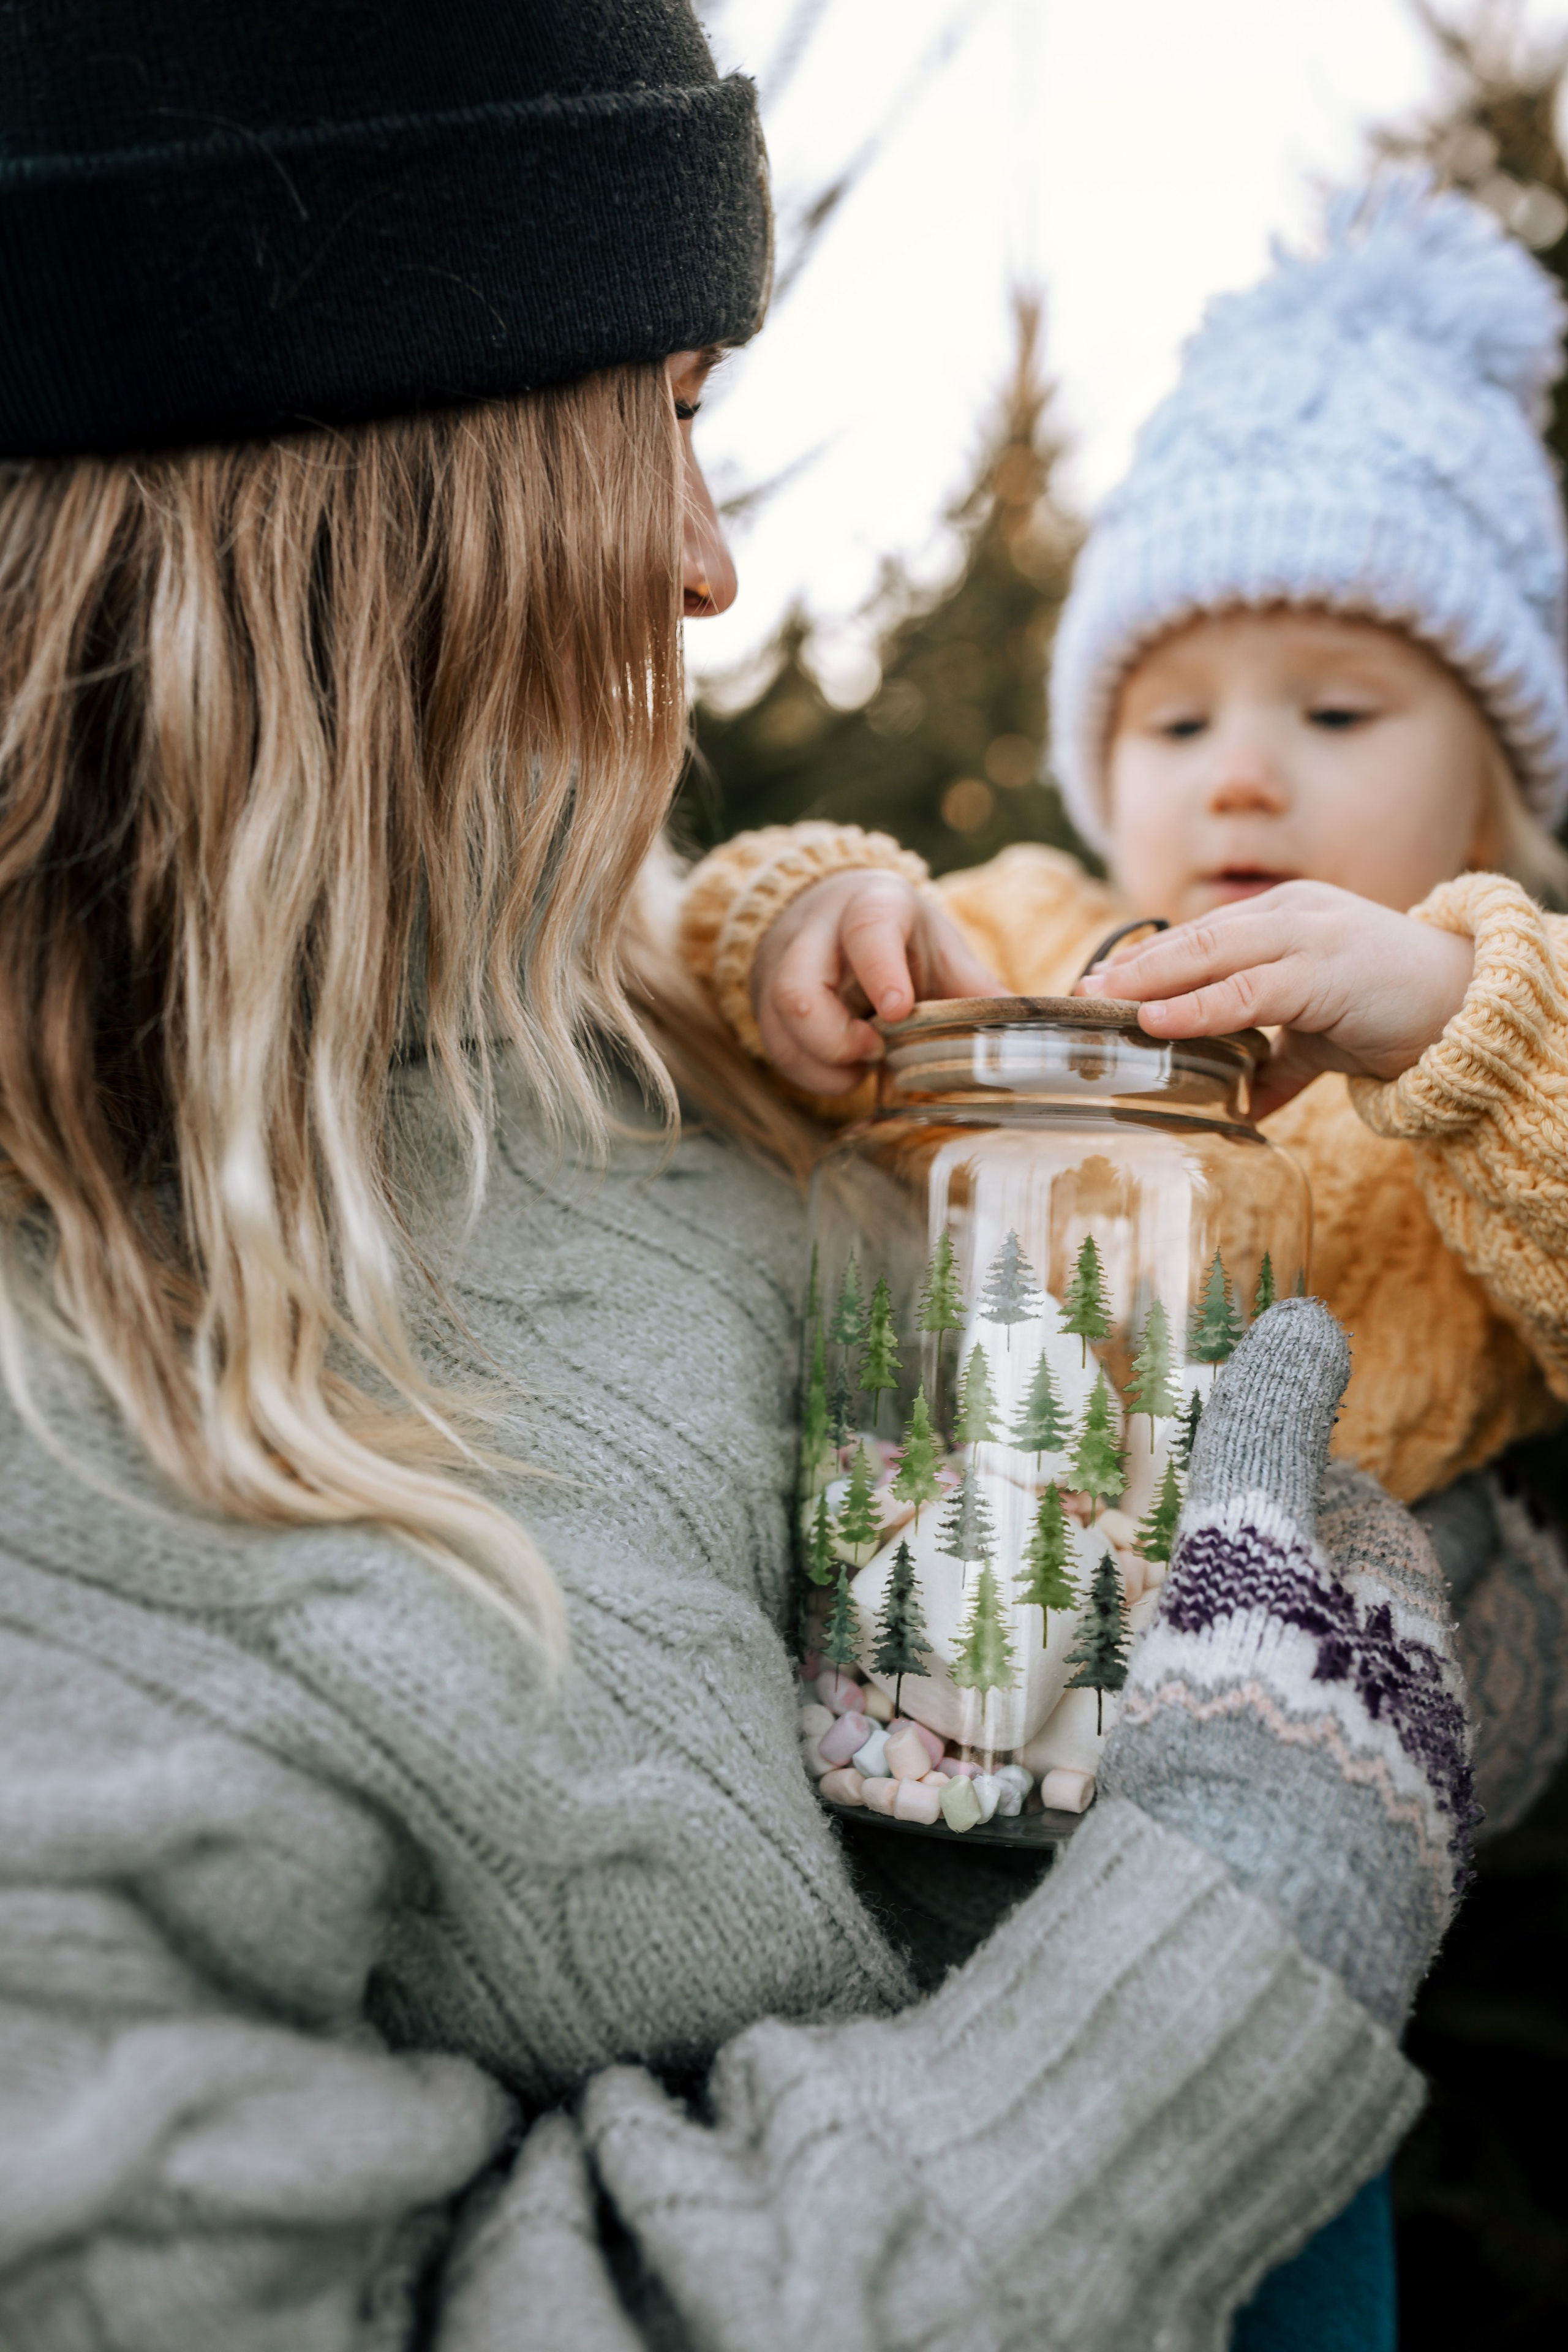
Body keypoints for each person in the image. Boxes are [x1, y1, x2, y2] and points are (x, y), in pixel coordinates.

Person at [0, 20, 1461, 2350]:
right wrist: (1240, 1922)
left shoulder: (689, 1046)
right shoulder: (61, 1467)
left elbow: (1175, 1635)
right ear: (379, 478)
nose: (707, 569)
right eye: (666, 417)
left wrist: (1433, 1629)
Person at [683, 178, 1568, 1848]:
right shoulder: (1025, 936)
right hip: (916, 1720)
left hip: (1267, 1812)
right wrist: (805, 915)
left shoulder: (1481, 1028)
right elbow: (727, 947)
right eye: (1172, 726)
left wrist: (1466, 1017)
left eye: (1333, 707)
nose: (1241, 771)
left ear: (1491, 800)